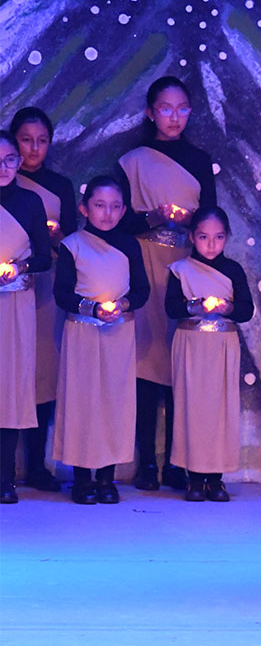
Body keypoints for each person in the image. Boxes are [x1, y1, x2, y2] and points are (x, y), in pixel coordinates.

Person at [115, 75, 218, 492]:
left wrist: (190, 223)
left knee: (182, 363)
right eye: (165, 109)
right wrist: (153, 218)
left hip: (187, 266)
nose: (173, 117)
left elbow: (211, 220)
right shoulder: (133, 160)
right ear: (150, 112)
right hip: (144, 262)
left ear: (190, 112)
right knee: (145, 362)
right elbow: (118, 221)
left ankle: (178, 461)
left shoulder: (198, 159)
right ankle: (146, 463)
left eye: (181, 109)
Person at [53, 176, 150, 504]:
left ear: (123, 211)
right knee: (83, 402)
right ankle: (82, 479)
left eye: (114, 207)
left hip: (118, 335)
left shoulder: (130, 245)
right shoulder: (73, 245)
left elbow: (142, 291)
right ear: (84, 208)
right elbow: (62, 293)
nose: (107, 213)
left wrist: (121, 305)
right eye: (99, 205)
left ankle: (107, 478)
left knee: (113, 402)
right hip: (82, 333)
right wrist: (92, 308)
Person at [165, 206, 254, 502]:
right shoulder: (180, 270)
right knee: (191, 407)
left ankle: (216, 478)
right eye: (204, 237)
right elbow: (171, 308)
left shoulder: (234, 271)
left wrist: (227, 308)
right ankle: (194, 477)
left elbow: (246, 310)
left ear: (227, 237)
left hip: (222, 346)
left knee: (219, 409)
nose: (211, 244)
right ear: (192, 237)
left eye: (218, 237)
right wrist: (196, 306)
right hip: (190, 345)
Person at [12, 107, 76, 493]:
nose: (34, 149)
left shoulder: (60, 186)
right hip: (8, 289)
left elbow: (72, 241)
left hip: (45, 286)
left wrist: (49, 236)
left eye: (42, 141)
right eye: (25, 140)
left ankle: (36, 465)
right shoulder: (5, 182)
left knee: (42, 373)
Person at [0, 130, 53, 503]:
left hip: (17, 307)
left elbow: (45, 258)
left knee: (12, 389)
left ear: (19, 162)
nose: (2, 168)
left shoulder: (31, 202)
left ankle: (5, 480)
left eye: (9, 160)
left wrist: (19, 267)